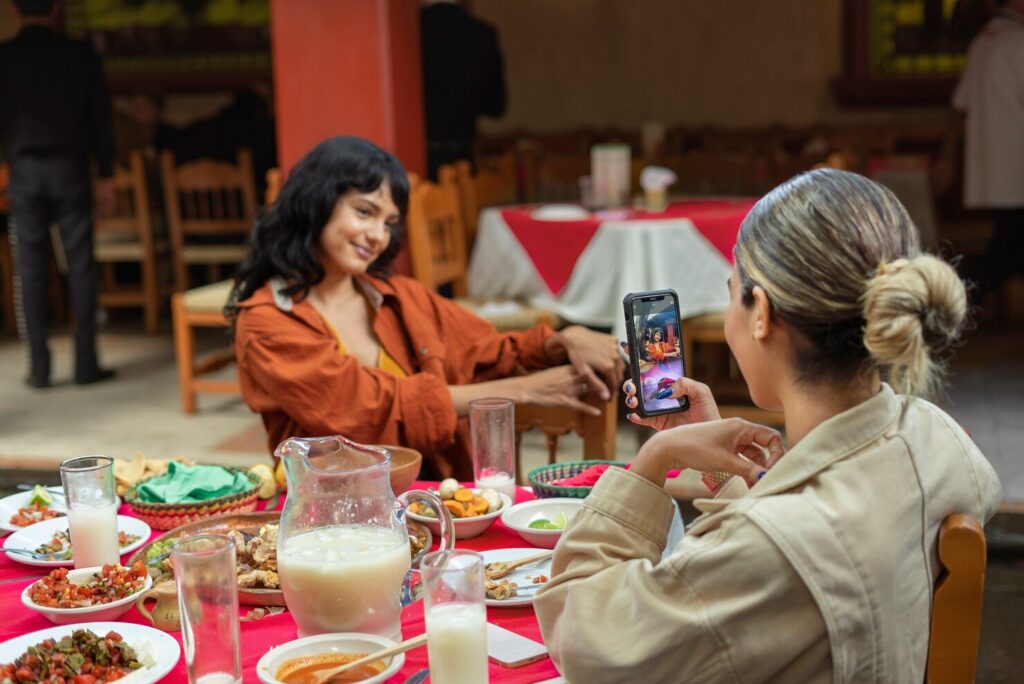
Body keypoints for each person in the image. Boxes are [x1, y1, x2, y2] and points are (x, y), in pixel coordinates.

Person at [534, 169, 1002, 682]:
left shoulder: (767, 551)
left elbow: (583, 639)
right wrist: (718, 470)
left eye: (729, 289)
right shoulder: (937, 438)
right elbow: (795, 559)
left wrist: (650, 463)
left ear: (760, 312)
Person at [227, 136, 620, 479]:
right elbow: (369, 409)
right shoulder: (266, 320)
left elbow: (489, 351)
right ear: (315, 203)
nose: (377, 236)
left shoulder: (397, 296)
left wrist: (564, 340)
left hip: (431, 502)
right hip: (329, 517)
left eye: (389, 223)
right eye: (364, 212)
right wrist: (523, 390)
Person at [0, 0, 116, 387]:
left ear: (14, 10)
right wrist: (107, 174)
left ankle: (39, 368)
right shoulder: (78, 53)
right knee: (80, 266)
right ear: (56, 10)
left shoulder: (4, 57)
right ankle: (86, 365)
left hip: (24, 172)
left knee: (30, 269)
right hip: (71, 169)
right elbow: (101, 115)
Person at [938, 0, 1024, 304]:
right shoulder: (1017, 42)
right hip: (1016, 171)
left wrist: (947, 157)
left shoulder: (982, 42)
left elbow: (958, 107)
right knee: (1006, 255)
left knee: (1008, 249)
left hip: (996, 171)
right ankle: (950, 302)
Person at [420, 0, 506, 178]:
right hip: (465, 157)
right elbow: (497, 106)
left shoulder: (410, 29)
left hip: (418, 163)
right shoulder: (483, 33)